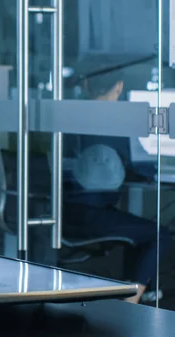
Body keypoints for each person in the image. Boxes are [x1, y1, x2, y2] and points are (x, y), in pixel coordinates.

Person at [62, 74, 172, 304]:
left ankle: (135, 289)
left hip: (62, 213)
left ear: (86, 84)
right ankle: (132, 299)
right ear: (119, 86)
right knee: (158, 234)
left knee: (140, 232)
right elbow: (138, 167)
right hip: (93, 216)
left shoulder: (68, 117)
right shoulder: (115, 122)